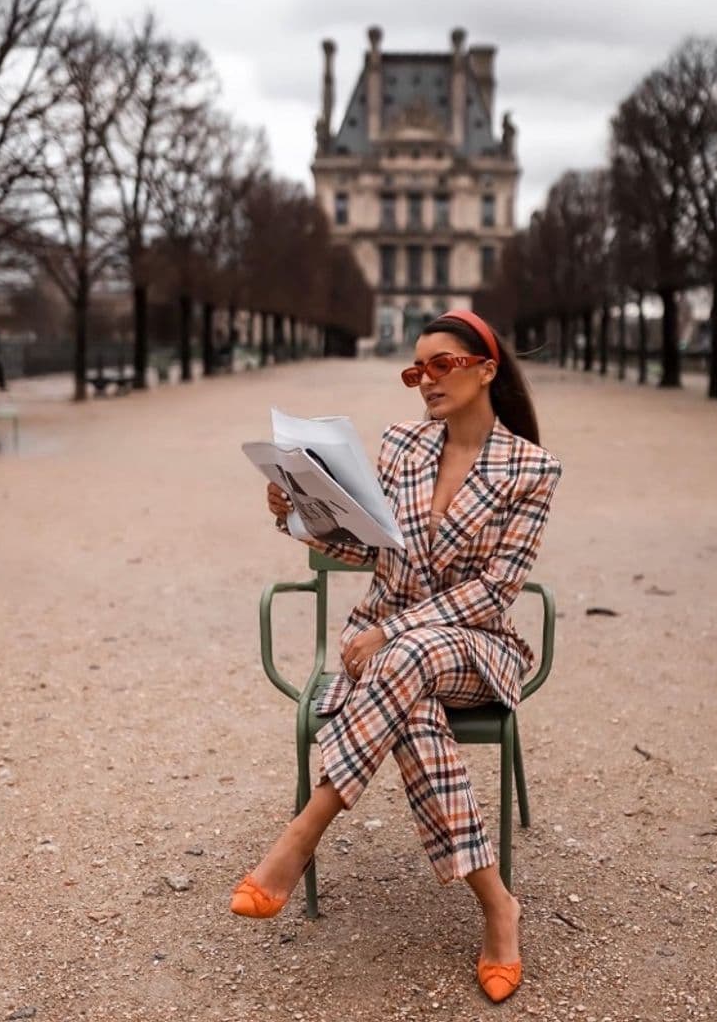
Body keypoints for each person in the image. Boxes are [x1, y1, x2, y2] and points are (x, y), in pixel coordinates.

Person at [231, 310, 562, 1004]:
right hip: (395, 666)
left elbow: (496, 589)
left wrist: (394, 628)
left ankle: (304, 830)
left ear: (486, 369)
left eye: (441, 364)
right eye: (416, 370)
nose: (425, 381)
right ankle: (498, 906)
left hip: (477, 649)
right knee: (409, 705)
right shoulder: (403, 446)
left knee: (403, 656)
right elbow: (367, 549)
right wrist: (295, 511)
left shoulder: (531, 468)